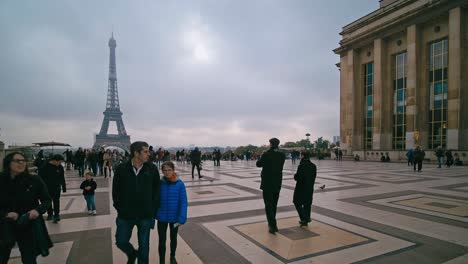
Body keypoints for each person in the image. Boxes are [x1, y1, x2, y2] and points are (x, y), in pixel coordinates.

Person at [112, 141, 161, 264]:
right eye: (145, 151)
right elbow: (116, 191)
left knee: (144, 246)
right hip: (126, 214)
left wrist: (152, 209)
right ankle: (132, 253)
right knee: (121, 241)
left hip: (145, 214)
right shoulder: (121, 168)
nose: (148, 154)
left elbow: (156, 190)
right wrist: (120, 208)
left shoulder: (152, 168)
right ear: (136, 153)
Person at [0, 152, 53, 263]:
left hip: (27, 223)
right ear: (8, 163)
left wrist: (37, 211)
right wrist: (5, 214)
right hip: (5, 224)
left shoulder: (34, 180)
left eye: (23, 160)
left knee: (29, 258)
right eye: (17, 161)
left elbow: (47, 200)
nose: (21, 163)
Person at [157, 162, 188, 264]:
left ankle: (172, 256)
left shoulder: (180, 184)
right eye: (165, 170)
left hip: (174, 218)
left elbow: (183, 202)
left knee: (173, 238)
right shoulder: (159, 183)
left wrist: (182, 217)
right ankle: (161, 260)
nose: (167, 172)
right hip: (161, 217)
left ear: (173, 170)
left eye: (169, 170)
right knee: (161, 240)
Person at [256, 138, 286, 234]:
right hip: (277, 181)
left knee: (268, 204)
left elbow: (258, 164)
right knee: (274, 204)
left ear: (270, 144)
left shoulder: (266, 154)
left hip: (267, 182)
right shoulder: (282, 155)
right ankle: (273, 223)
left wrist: (265, 153)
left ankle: (272, 225)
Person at [39, 154, 66, 223]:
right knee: (48, 201)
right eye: (59, 162)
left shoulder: (60, 167)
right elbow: (40, 178)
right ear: (54, 160)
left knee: (56, 201)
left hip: (57, 188)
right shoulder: (44, 167)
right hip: (47, 188)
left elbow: (62, 178)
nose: (60, 163)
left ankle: (56, 215)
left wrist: (64, 187)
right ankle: (50, 214)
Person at [293, 150, 317, 227]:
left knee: (297, 202)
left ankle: (304, 218)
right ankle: (306, 218)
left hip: (301, 188)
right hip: (309, 187)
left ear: (302, 156)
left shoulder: (301, 166)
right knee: (307, 204)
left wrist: (295, 176)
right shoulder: (313, 166)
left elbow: (298, 178)